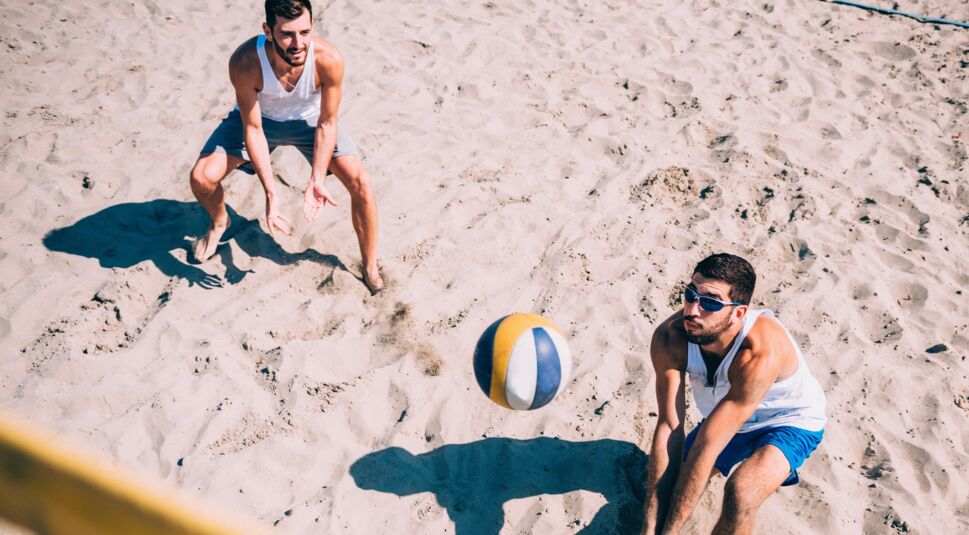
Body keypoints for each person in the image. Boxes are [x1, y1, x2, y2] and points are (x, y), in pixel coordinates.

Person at [189, 0, 383, 293]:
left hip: (310, 123)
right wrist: (270, 192)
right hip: (260, 120)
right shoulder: (245, 62)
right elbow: (252, 129)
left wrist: (317, 179)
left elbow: (327, 124)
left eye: (304, 32)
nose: (298, 43)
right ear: (268, 31)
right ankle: (220, 222)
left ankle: (369, 265)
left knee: (361, 183)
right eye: (287, 34)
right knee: (201, 178)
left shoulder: (329, 59)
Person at [643, 253, 826, 534]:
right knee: (675, 479)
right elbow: (669, 426)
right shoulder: (670, 337)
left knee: (740, 493)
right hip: (726, 418)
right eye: (691, 293)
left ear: (739, 313)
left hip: (789, 422)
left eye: (710, 302)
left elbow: (707, 447)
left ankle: (774, 463)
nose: (693, 310)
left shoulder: (758, 353)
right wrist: (650, 529)